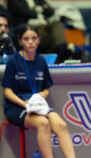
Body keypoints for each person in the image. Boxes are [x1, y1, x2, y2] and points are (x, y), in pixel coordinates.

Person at [2, 25, 76, 158]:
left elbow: (46, 88)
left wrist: (42, 94)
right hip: (17, 106)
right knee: (43, 122)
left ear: (38, 40)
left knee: (61, 125)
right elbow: (7, 92)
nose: (30, 42)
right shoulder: (13, 62)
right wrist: (25, 104)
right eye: (26, 39)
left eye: (33, 38)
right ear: (20, 41)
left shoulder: (41, 61)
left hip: (38, 105)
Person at [6, 0, 72, 63]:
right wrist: (41, 9)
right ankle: (61, 55)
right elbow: (24, 12)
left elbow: (51, 12)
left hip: (45, 26)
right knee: (39, 32)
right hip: (29, 27)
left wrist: (35, 9)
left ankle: (61, 49)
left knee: (57, 24)